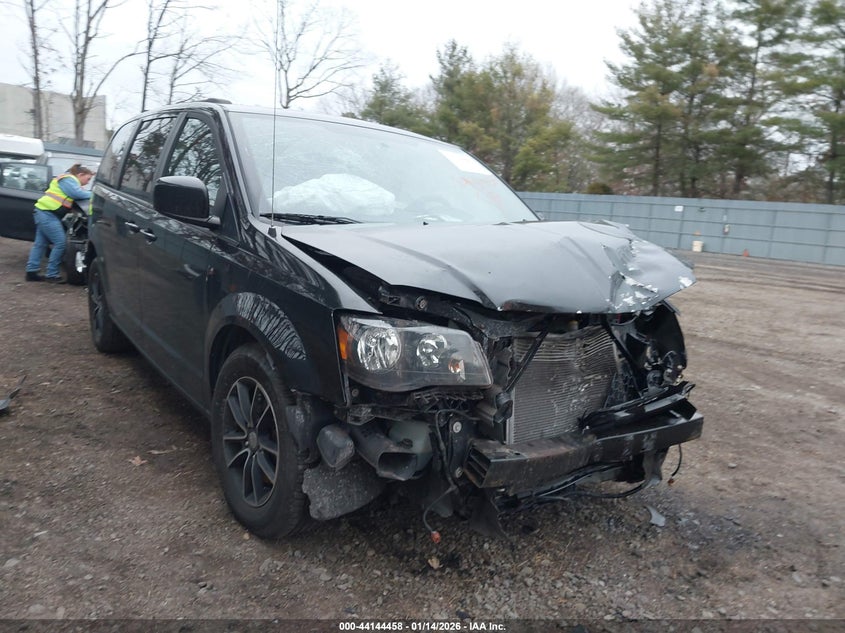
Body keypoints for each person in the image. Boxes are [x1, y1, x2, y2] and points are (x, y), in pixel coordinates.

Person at [25, 163, 94, 283]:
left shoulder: (68, 180)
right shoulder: (68, 179)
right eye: (88, 179)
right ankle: (52, 274)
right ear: (80, 174)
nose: (88, 182)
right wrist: (96, 195)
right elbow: (77, 194)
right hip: (48, 213)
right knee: (60, 243)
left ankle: (31, 272)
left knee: (40, 244)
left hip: (44, 212)